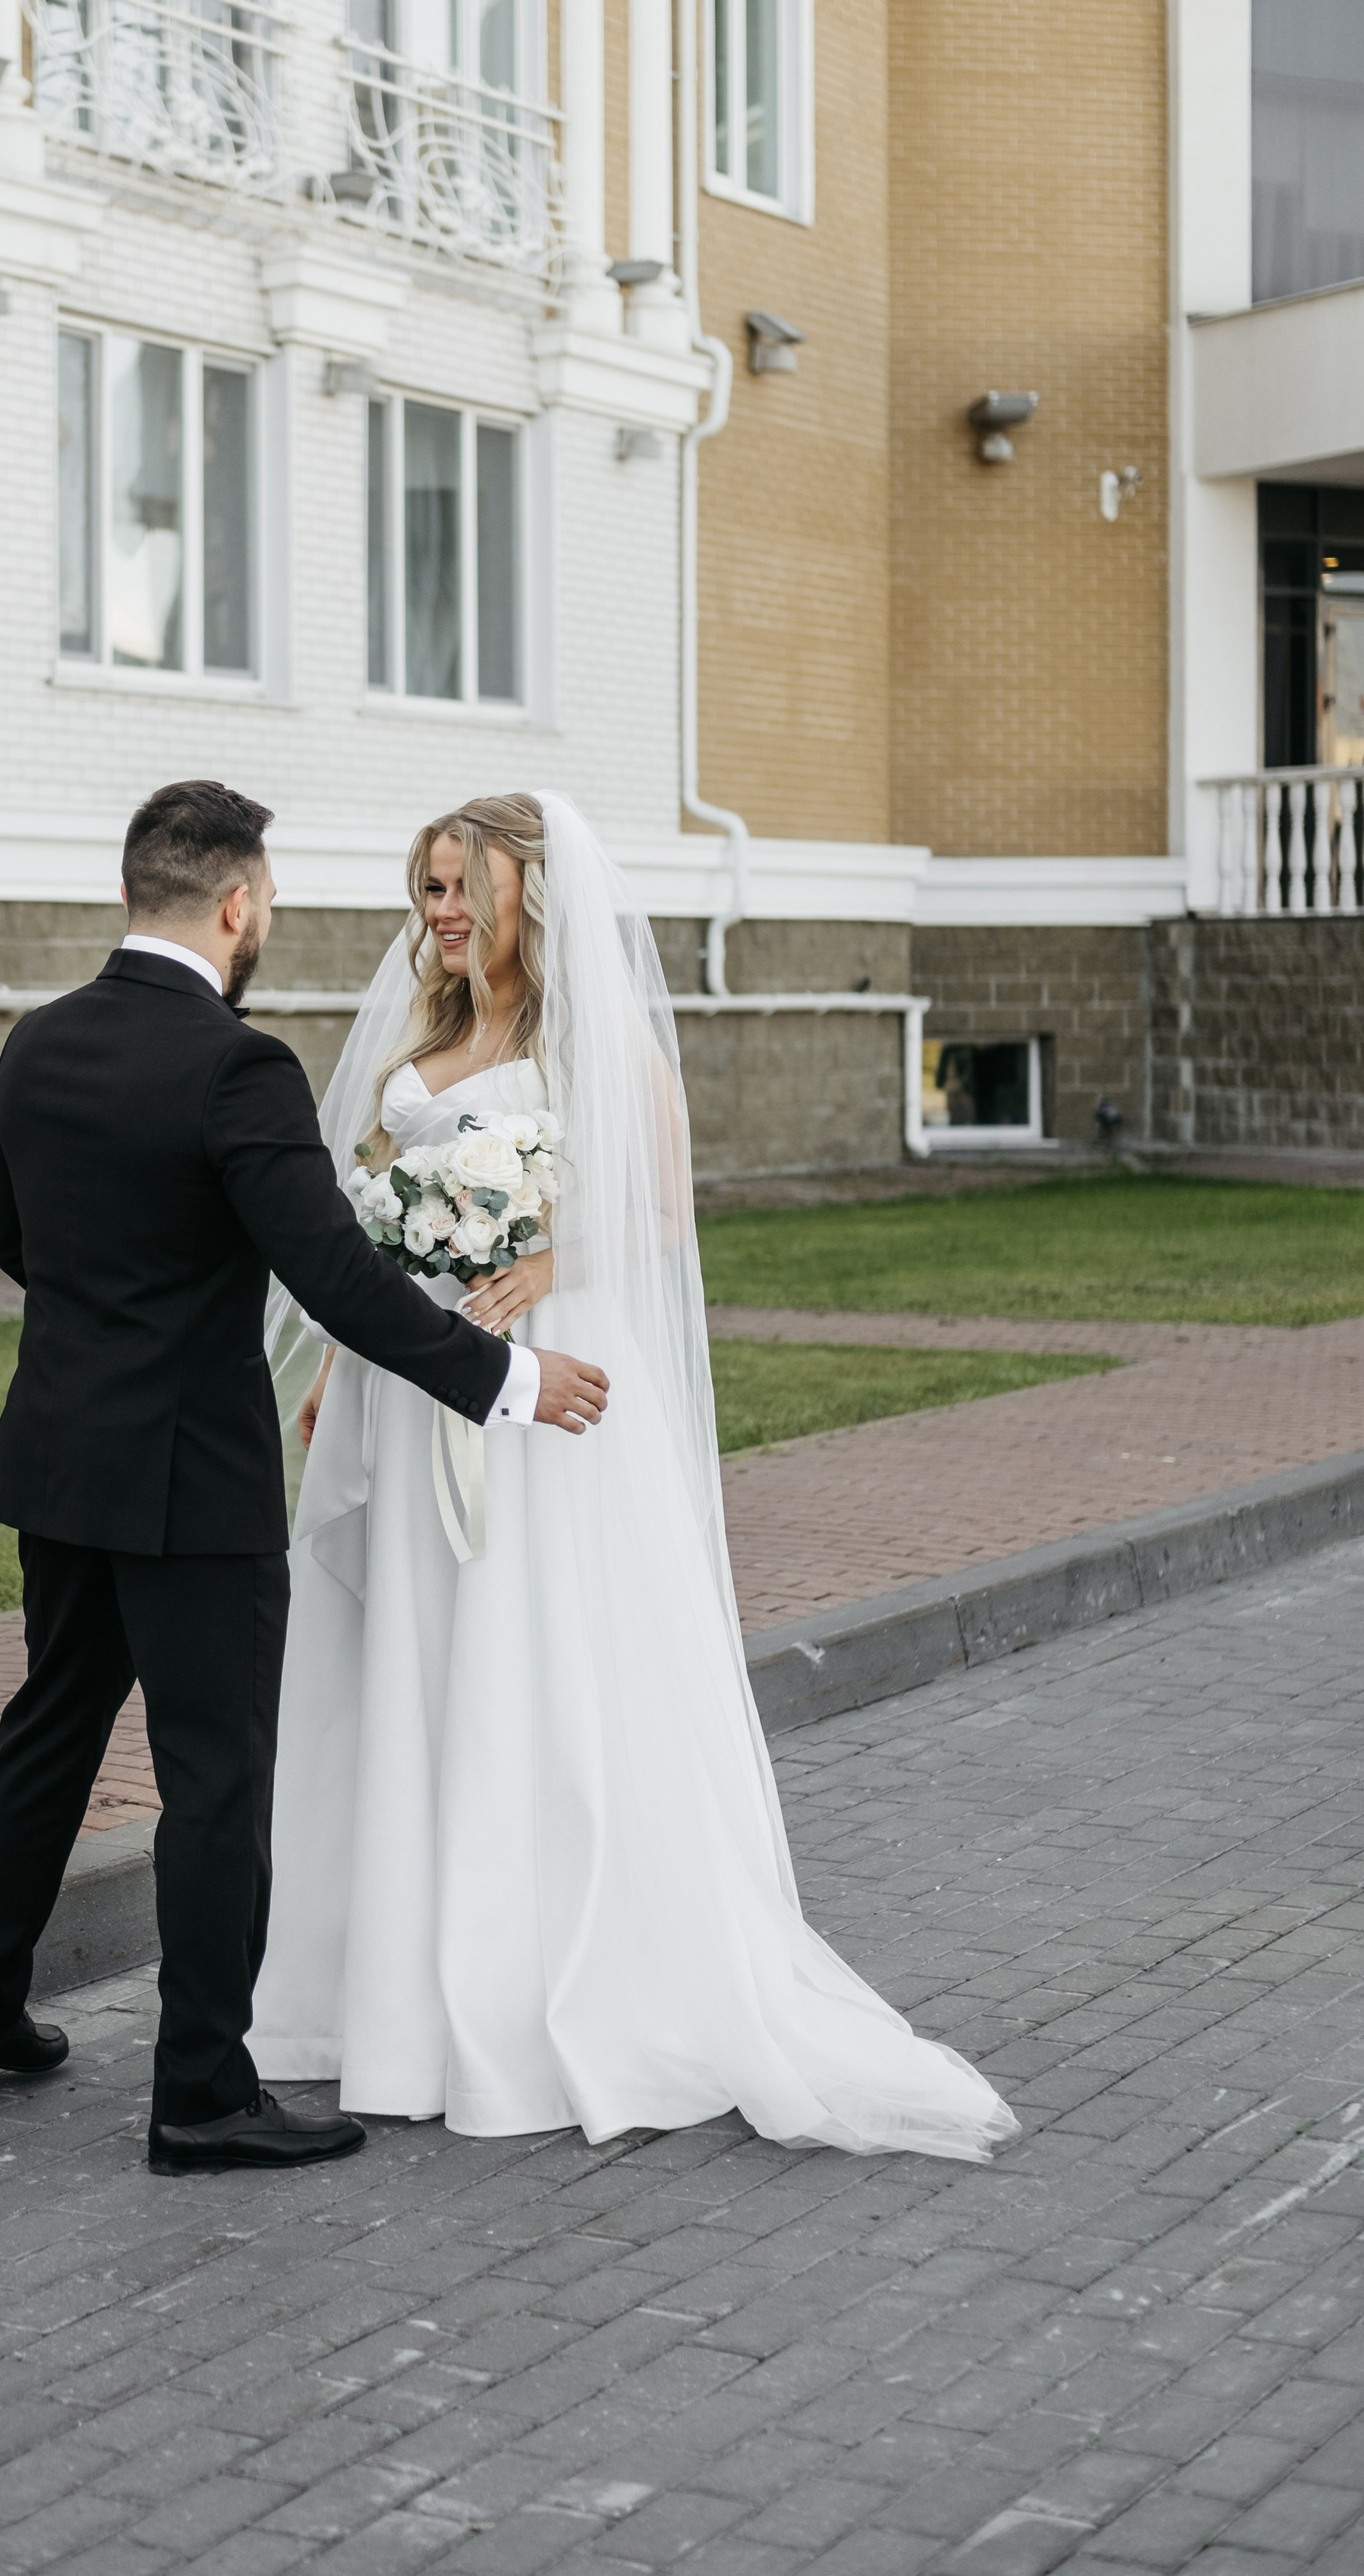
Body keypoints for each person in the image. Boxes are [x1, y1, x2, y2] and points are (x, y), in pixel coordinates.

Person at [251, 791, 1018, 2161]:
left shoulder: (592, 1039)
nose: (435, 915)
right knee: (415, 1671)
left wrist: (546, 1263)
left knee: (534, 1661)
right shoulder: (423, 1042)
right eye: (424, 889)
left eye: (457, 890)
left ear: (523, 898)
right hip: (416, 1378)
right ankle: (404, 1997)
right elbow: (362, 1223)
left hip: (555, 1379)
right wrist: (338, 1371)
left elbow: (659, 1205)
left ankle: (545, 1983)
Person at [0, 780, 611, 2177]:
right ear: (236, 904)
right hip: (190, 1477)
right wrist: (511, 1378)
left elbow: (21, 1246)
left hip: (59, 1453)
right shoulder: (236, 1068)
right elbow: (337, 1278)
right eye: (271, 903)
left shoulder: (33, 1046)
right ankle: (201, 2092)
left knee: (49, 1724)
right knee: (217, 1778)